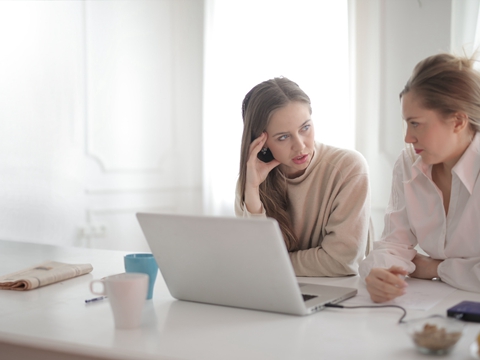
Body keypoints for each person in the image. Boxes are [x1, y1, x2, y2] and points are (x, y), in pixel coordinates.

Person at [360, 53, 480, 303]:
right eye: (406, 123)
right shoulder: (408, 164)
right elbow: (393, 243)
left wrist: (435, 268)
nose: (408, 138)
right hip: (436, 304)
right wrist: (380, 272)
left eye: (416, 124)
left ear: (458, 121)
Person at [235, 77, 371, 277]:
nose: (300, 146)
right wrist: (253, 191)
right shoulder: (252, 180)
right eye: (283, 137)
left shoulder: (349, 168)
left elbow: (342, 262)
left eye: (305, 128)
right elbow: (254, 258)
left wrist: (273, 263)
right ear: (261, 143)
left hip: (343, 292)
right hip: (279, 290)